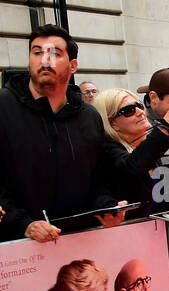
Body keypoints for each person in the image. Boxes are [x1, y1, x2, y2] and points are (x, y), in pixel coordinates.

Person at [0, 24, 113, 242]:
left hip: (82, 241)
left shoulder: (89, 116)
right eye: (37, 52)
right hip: (17, 250)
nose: (44, 60)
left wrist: (106, 208)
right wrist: (24, 224)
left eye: (55, 54)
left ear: (73, 66)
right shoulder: (4, 107)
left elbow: (100, 175)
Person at [95, 88, 169, 213]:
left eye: (139, 105)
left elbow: (156, 196)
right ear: (112, 123)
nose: (139, 112)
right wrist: (167, 123)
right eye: (128, 110)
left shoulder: (143, 146)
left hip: (152, 229)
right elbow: (131, 171)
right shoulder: (108, 150)